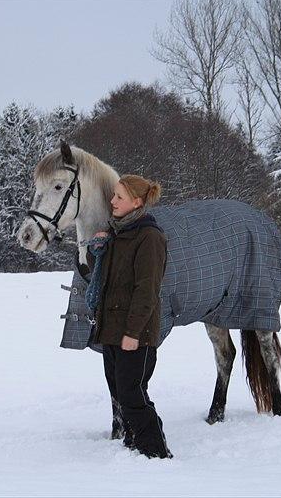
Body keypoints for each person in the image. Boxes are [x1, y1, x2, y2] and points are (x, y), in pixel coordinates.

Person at [84, 174, 172, 459]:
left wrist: (133, 333)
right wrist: (101, 246)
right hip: (111, 330)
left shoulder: (149, 238)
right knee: (121, 394)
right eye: (113, 196)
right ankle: (134, 446)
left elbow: (146, 291)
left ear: (136, 203)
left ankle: (156, 452)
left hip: (136, 335)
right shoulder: (117, 233)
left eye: (119, 197)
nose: (112, 201)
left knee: (133, 395)